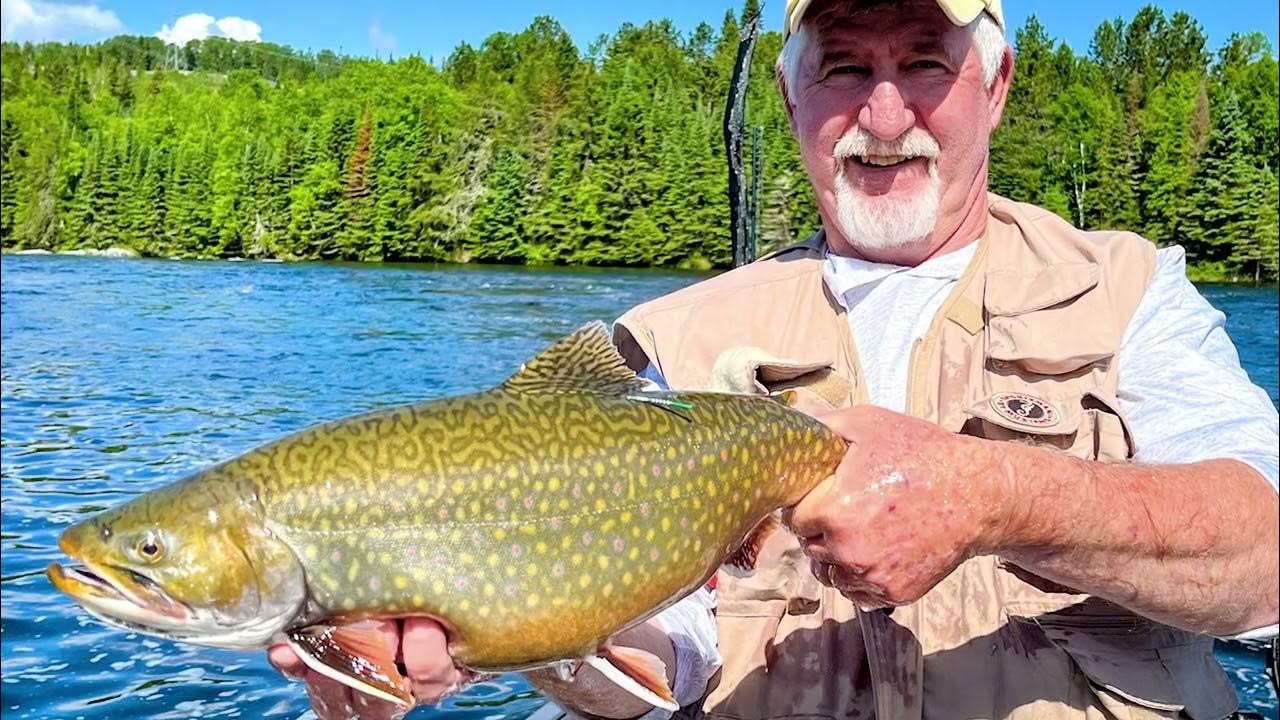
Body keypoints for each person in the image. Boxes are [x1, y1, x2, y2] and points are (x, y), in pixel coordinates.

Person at [269, 0, 1280, 718]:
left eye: (922, 62)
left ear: (995, 86)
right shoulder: (663, 343)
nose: (883, 117)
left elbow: (1264, 559)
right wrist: (515, 641)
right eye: (843, 68)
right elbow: (673, 651)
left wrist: (998, 498)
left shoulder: (1133, 288)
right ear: (791, 96)